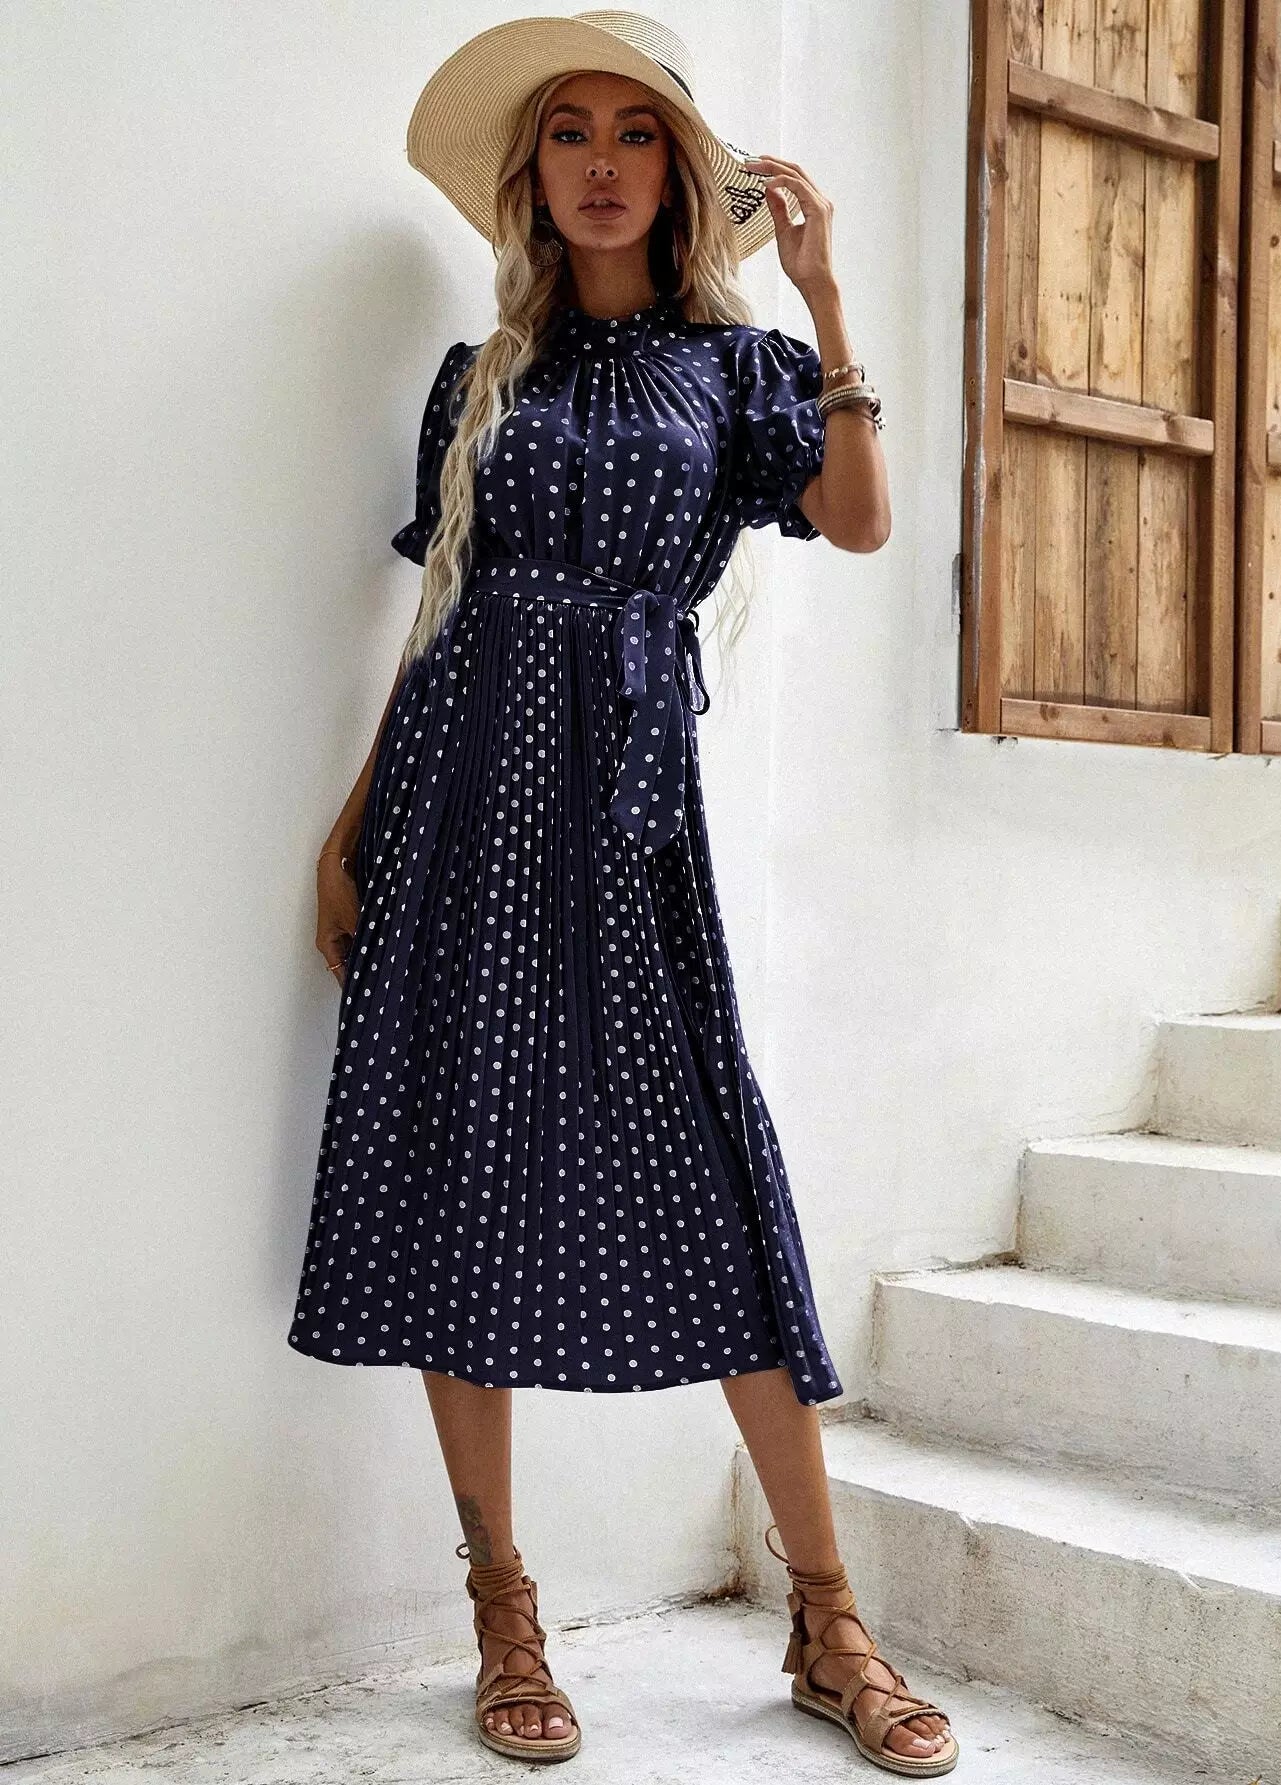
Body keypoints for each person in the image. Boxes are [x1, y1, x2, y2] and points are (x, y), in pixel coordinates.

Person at [287, 9, 956, 1775]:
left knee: (716, 1179)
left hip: (629, 806)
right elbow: (441, 606)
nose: (600, 161)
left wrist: (828, 303)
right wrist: (353, 824)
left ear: (681, 171)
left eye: (635, 132)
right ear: (534, 177)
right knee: (457, 1169)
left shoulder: (736, 371)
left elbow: (861, 520)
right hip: (456, 801)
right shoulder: (478, 378)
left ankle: (829, 1620)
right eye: (569, 133)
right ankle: (504, 1612)